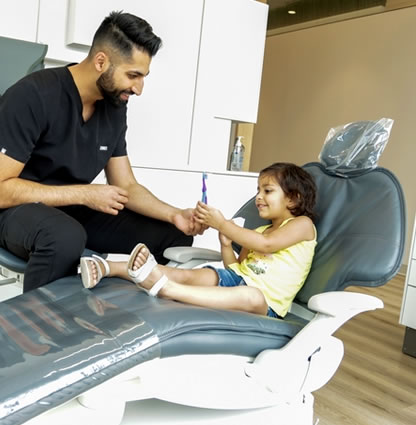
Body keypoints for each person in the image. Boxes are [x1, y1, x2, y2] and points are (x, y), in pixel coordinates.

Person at [0, 11, 202, 293]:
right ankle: (38, 333)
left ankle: (125, 323)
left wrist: (174, 215)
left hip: (73, 211)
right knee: (65, 236)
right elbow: (2, 190)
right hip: (14, 212)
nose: (139, 88)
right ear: (100, 61)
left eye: (143, 77)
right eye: (133, 75)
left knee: (172, 235)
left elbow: (126, 185)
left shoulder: (114, 107)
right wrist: (85, 193)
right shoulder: (33, 95)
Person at [80, 162, 317, 319]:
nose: (258, 197)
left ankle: (168, 289)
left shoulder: (302, 225)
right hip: (237, 281)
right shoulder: (260, 231)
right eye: (258, 190)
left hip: (266, 305)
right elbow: (237, 269)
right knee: (195, 274)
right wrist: (225, 244)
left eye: (267, 191)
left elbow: (267, 246)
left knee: (252, 295)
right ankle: (107, 267)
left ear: (293, 199)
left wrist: (222, 224)